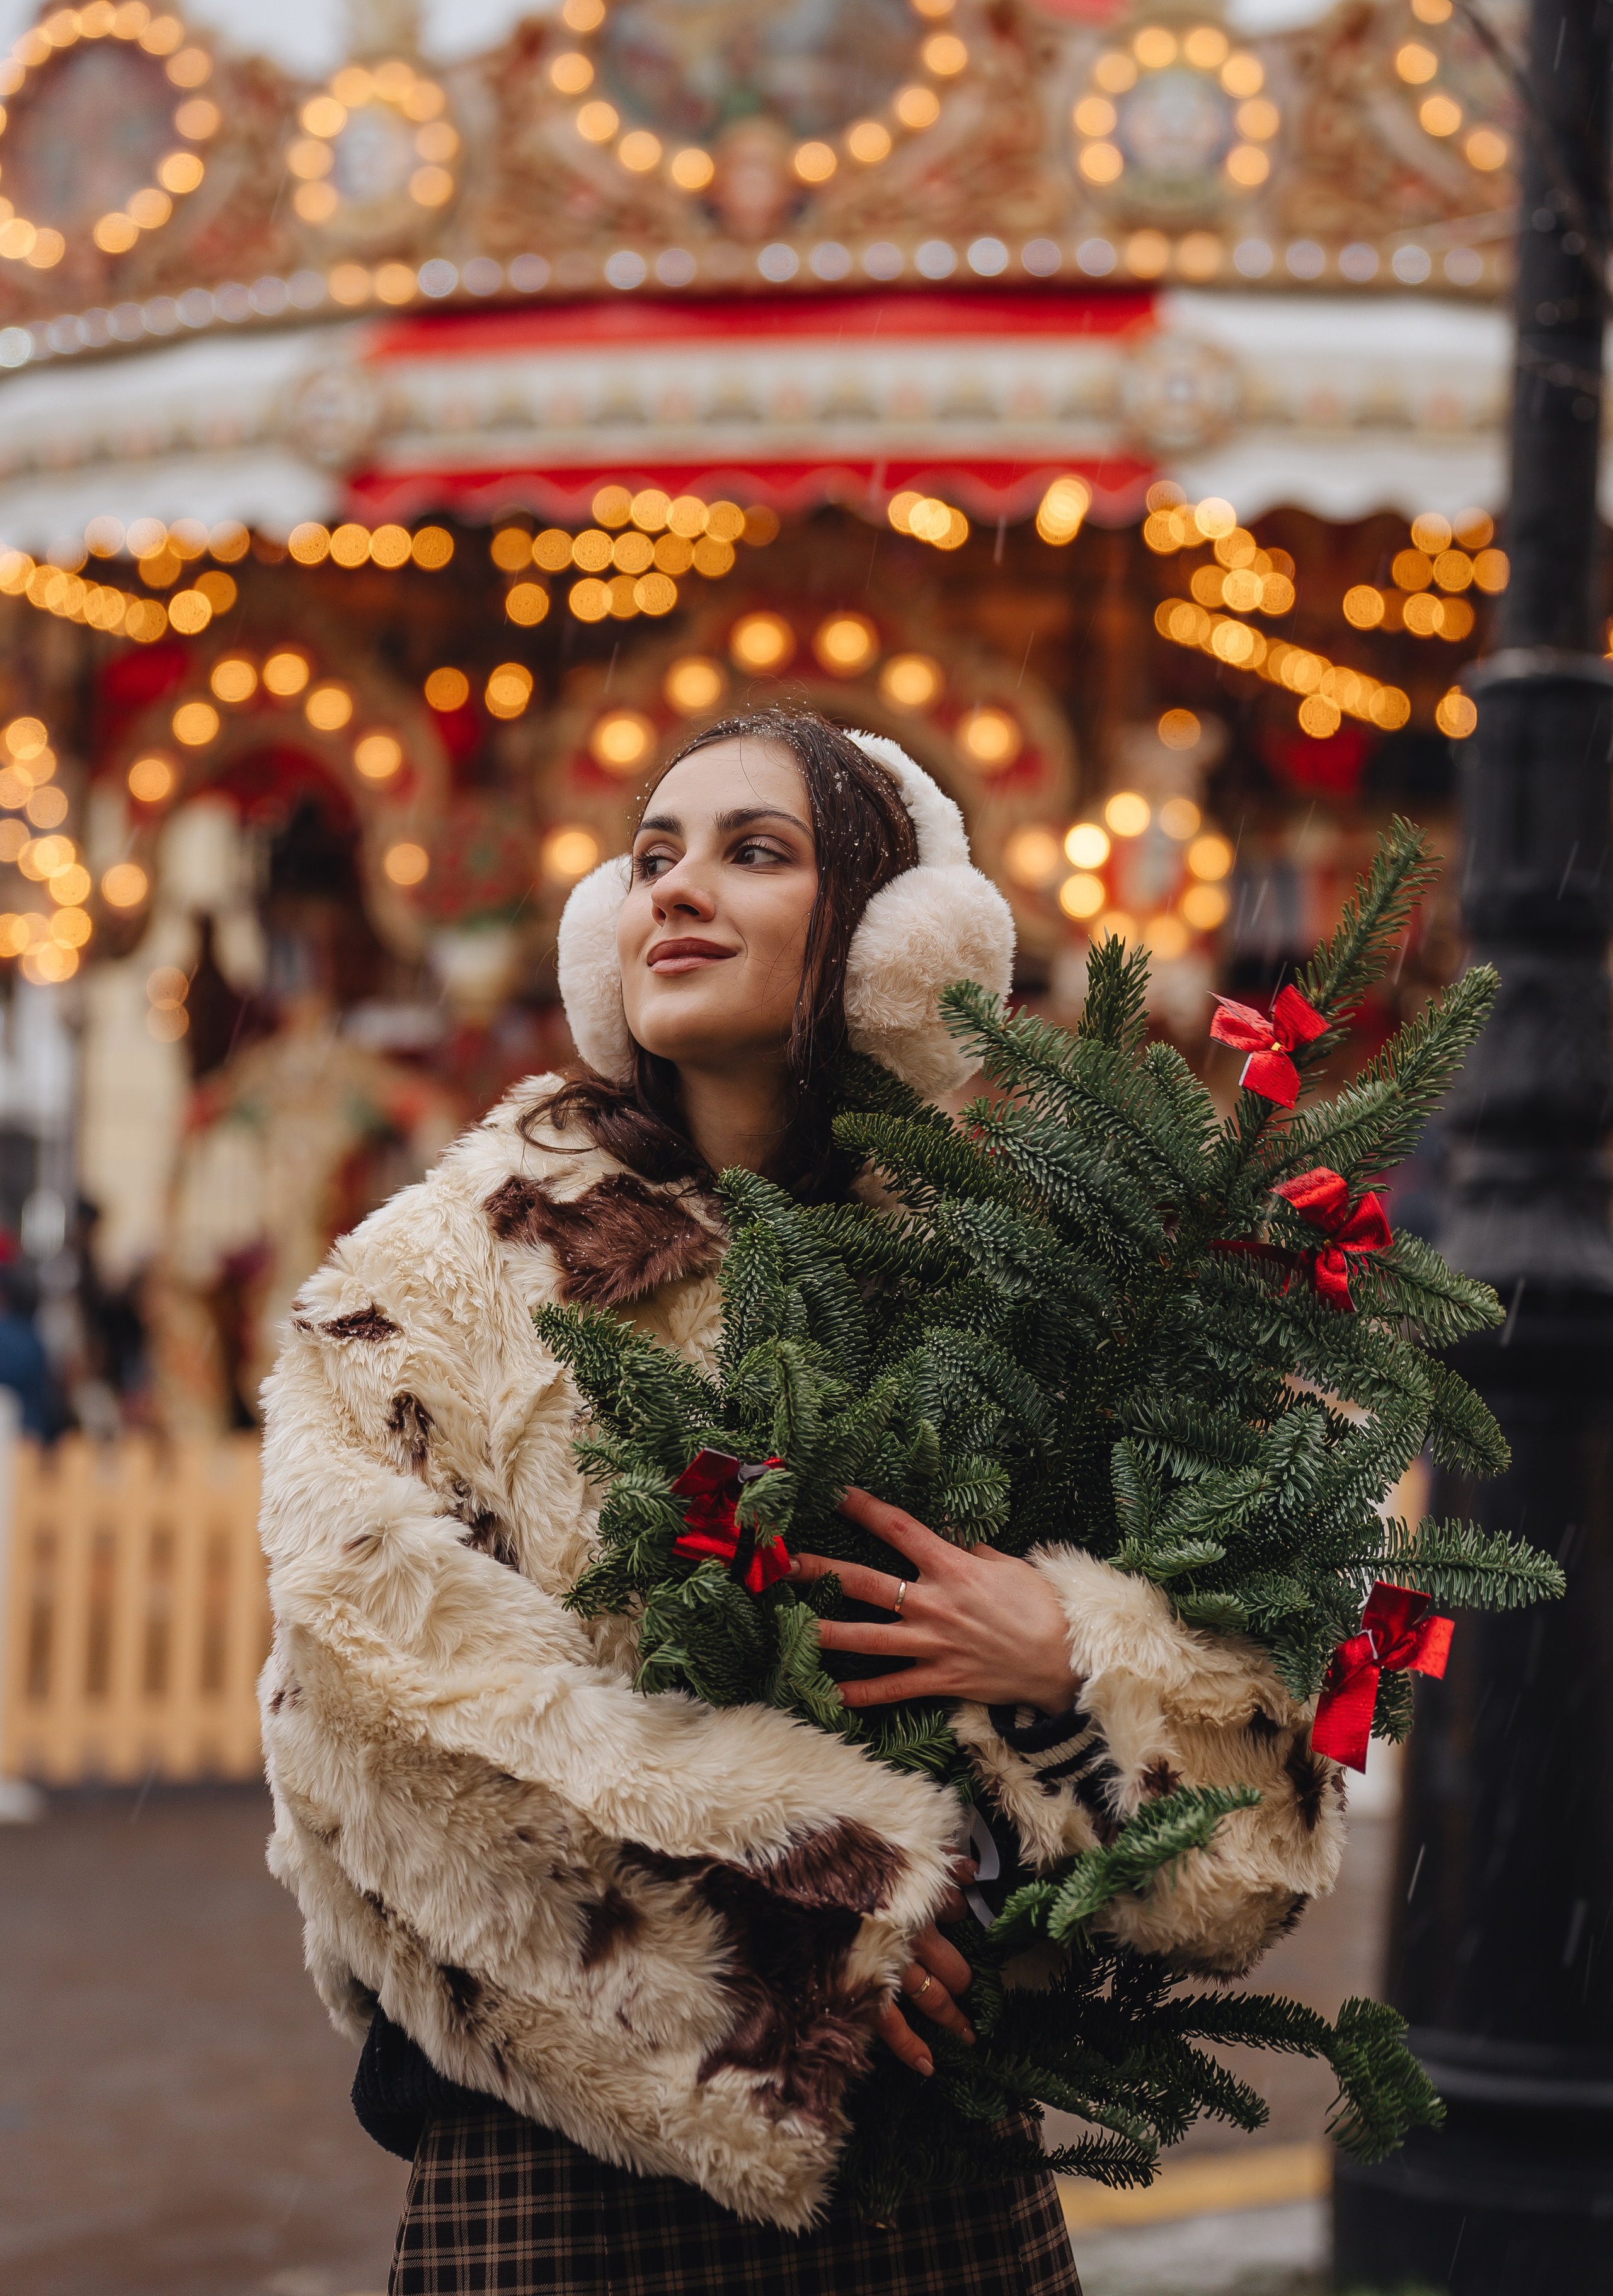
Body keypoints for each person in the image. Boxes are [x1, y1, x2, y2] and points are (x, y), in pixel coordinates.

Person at [260, 711, 1345, 2295]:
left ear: (890, 945)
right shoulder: (437, 1276)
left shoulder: (1006, 1275)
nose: (676, 890)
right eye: (652, 858)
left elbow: (1244, 1815)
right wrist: (811, 1922)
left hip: (933, 2174)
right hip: (565, 2161)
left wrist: (1073, 1659)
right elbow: (371, 1709)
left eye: (753, 853)